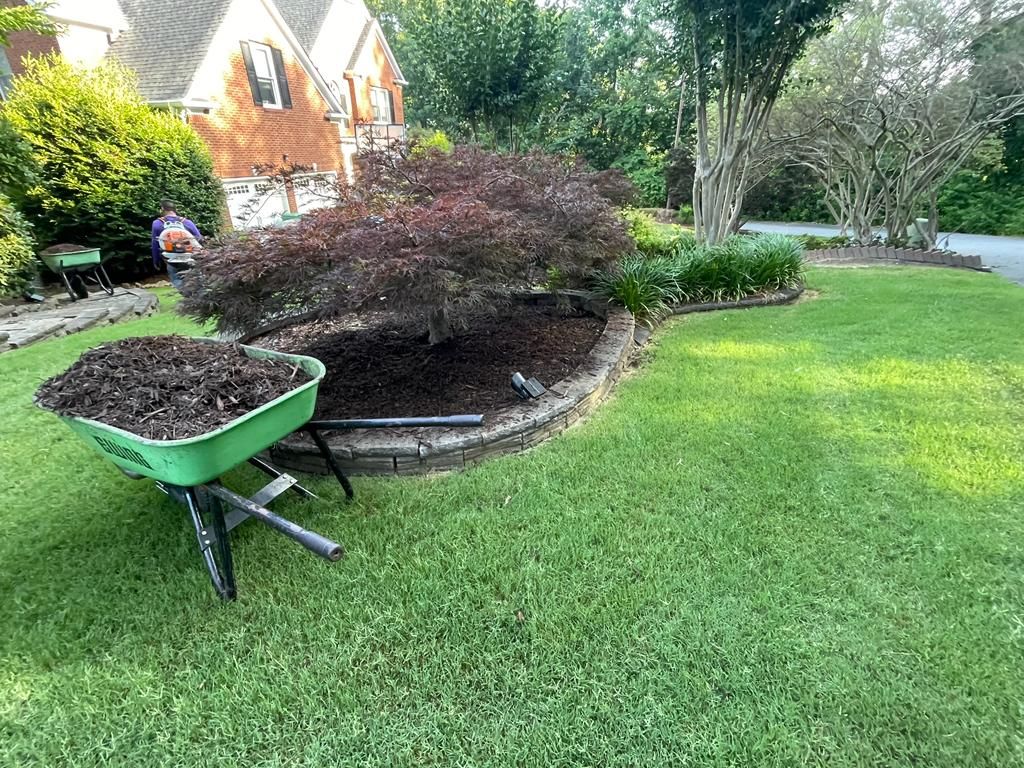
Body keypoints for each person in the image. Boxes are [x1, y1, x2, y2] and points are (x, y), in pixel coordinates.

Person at [152, 199, 203, 290]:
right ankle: (198, 298)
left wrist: (156, 261)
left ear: (162, 209)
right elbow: (199, 239)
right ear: (175, 209)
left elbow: (155, 244)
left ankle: (187, 298)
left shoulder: (157, 224)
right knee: (197, 281)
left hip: (171, 259)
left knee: (177, 280)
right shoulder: (187, 222)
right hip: (190, 257)